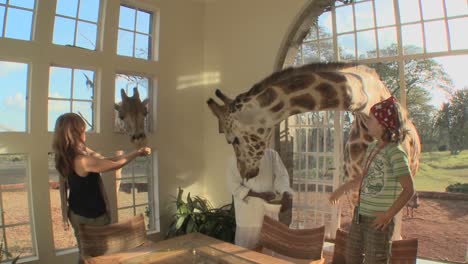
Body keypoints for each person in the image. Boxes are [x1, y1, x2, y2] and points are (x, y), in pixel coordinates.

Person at [52, 113, 151, 261]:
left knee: (85, 254)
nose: (85, 133)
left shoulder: (68, 154)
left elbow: (105, 160)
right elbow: (113, 165)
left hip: (77, 213)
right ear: (76, 133)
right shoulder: (82, 160)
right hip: (91, 217)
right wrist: (136, 153)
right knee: (95, 257)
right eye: (83, 130)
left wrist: (133, 153)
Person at [329, 96, 415, 264]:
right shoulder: (372, 148)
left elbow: (409, 190)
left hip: (378, 221)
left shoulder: (395, 152)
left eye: (371, 120)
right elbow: (363, 178)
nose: (367, 123)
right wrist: (341, 189)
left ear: (383, 125)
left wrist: (388, 215)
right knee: (352, 257)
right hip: (359, 215)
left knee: (375, 260)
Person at [226, 148, 293, 249]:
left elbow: (281, 176)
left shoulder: (271, 154)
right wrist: (259, 195)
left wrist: (285, 192)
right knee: (246, 254)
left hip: (269, 214)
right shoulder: (236, 158)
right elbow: (233, 186)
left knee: (269, 252)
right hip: (247, 217)